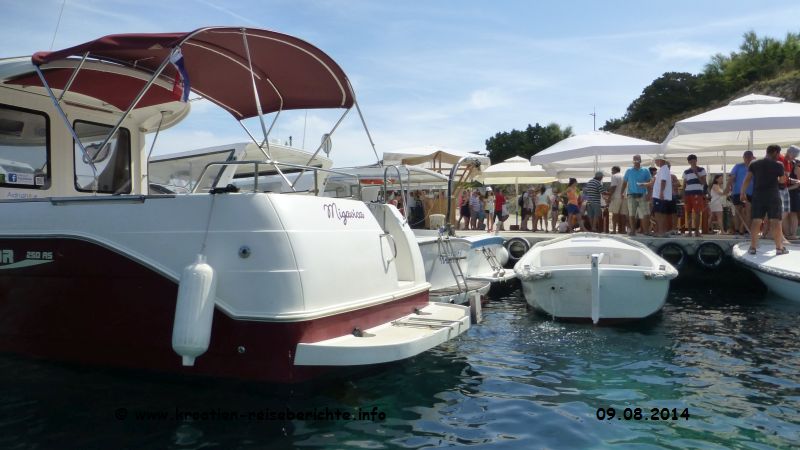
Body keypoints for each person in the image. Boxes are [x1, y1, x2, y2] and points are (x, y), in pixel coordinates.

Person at [740, 144, 789, 255]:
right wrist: (782, 178)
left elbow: (747, 179)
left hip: (758, 196)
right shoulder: (779, 165)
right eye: (779, 154)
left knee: (756, 221)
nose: (779, 156)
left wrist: (742, 192)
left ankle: (752, 248)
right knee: (776, 221)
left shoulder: (754, 163)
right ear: (776, 152)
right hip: (773, 196)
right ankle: (779, 248)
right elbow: (782, 181)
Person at [620, 154, 652, 236]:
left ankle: (646, 231)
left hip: (643, 194)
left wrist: (649, 194)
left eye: (638, 159)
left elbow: (650, 183)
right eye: (635, 159)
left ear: (641, 160)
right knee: (631, 214)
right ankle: (633, 231)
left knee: (646, 214)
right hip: (631, 195)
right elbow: (624, 182)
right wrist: (621, 192)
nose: (636, 161)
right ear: (632, 161)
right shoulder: (628, 171)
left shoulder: (646, 170)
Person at [728, 150, 755, 235]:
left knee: (747, 212)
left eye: (748, 157)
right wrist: (728, 188)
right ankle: (738, 230)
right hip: (738, 192)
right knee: (739, 212)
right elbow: (732, 177)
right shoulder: (738, 166)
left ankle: (743, 230)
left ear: (752, 157)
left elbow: (732, 178)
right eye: (746, 157)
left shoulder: (754, 167)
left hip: (749, 193)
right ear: (743, 158)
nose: (747, 159)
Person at [682, 154, 707, 237]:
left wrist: (697, 174)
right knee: (688, 213)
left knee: (697, 212)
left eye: (694, 160)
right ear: (688, 162)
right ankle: (689, 232)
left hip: (697, 193)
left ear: (696, 160)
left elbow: (703, 182)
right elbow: (684, 184)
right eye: (690, 160)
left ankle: (697, 231)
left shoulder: (701, 170)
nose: (692, 162)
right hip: (688, 194)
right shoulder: (686, 172)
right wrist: (683, 195)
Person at [650, 155, 673, 237]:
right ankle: (661, 231)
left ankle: (661, 232)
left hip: (660, 196)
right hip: (661, 195)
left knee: (659, 214)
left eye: (656, 160)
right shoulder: (664, 169)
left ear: (660, 160)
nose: (655, 162)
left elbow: (663, 181)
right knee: (660, 213)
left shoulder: (664, 169)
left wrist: (661, 192)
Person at [784, 145, 800, 239]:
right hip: (785, 191)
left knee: (793, 213)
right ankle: (787, 234)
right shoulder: (785, 163)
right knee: (785, 213)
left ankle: (793, 234)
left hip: (793, 193)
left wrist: (786, 189)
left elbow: (798, 183)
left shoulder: (796, 167)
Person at [607, 166, 627, 234]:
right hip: (624, 197)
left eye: (612, 170)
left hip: (616, 197)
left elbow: (613, 187)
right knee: (623, 214)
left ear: (615, 170)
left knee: (615, 214)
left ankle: (614, 230)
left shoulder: (614, 176)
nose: (611, 172)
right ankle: (623, 230)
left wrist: (609, 197)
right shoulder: (624, 176)